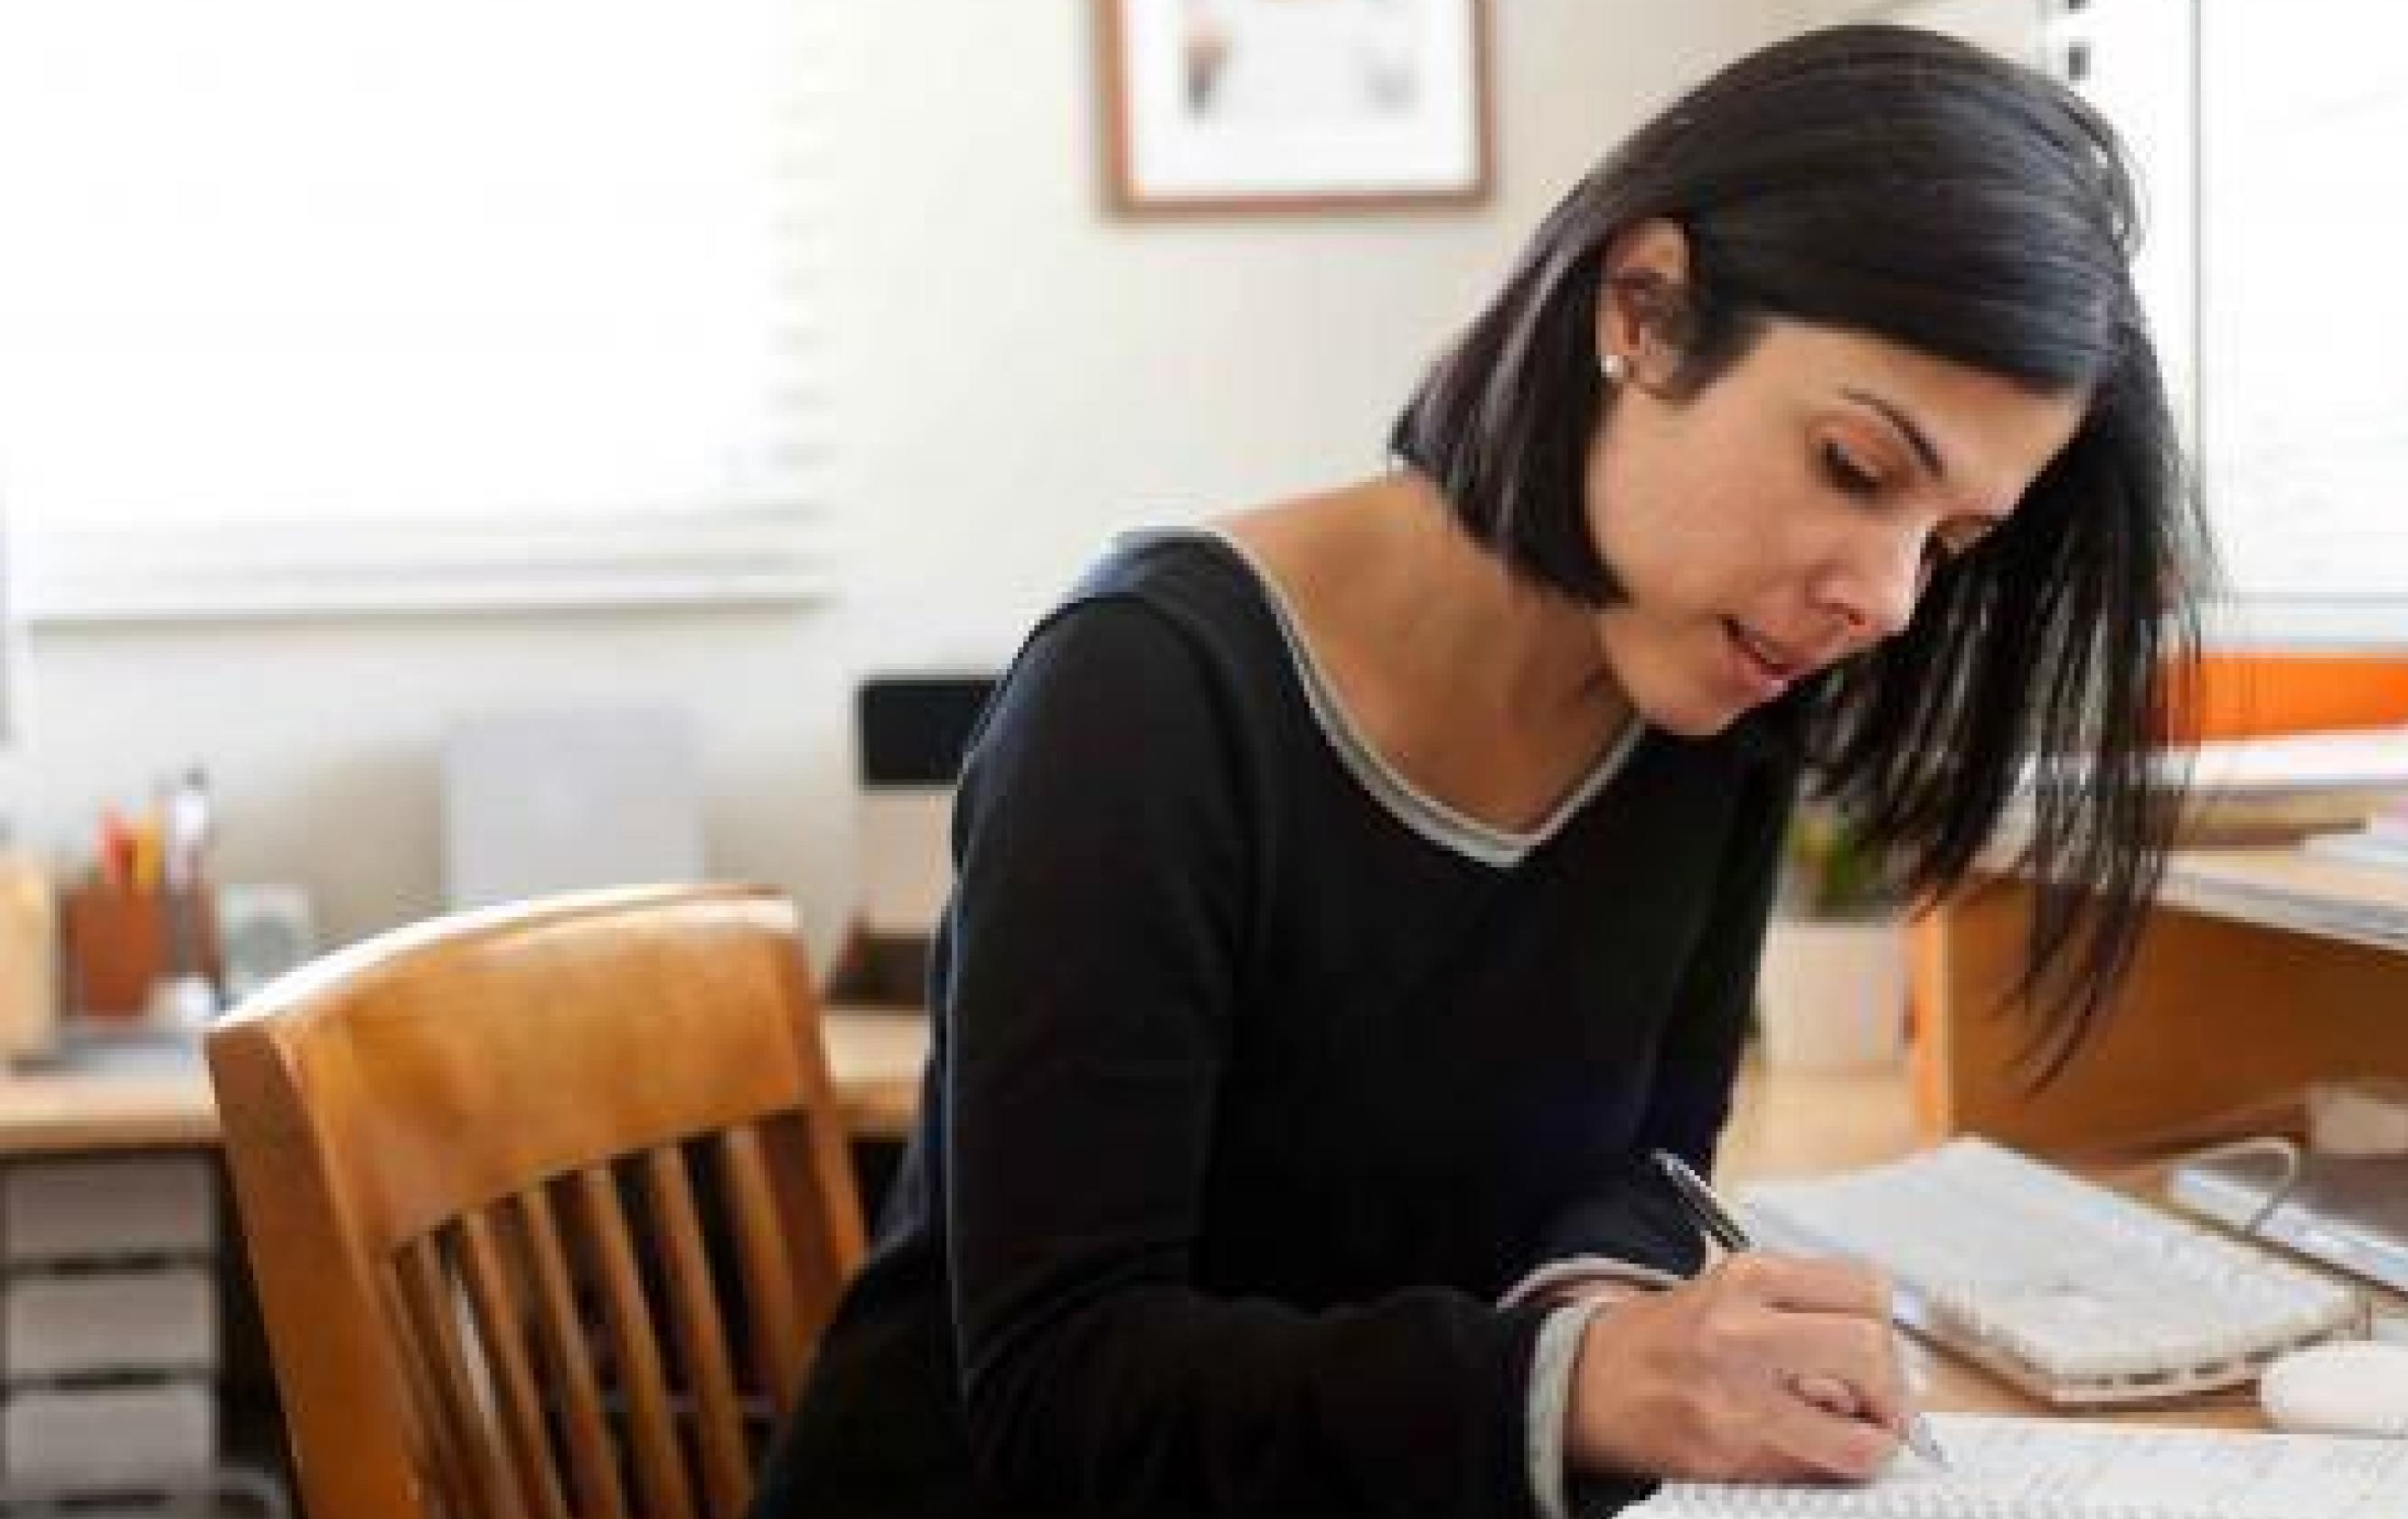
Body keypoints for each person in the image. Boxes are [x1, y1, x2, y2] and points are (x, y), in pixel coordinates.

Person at [751, 23, 2206, 1519]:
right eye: (1853, 467)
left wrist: (1602, 1313)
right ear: (1643, 309)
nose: (1889, 601)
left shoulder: (1713, 699)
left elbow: (1652, 1158)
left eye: (1947, 544)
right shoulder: (1145, 692)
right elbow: (1066, 1393)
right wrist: (1583, 1383)